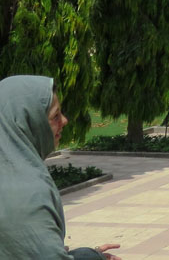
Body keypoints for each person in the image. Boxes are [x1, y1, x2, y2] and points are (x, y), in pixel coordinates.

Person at [0, 75, 122, 259]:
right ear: (29, 122)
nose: (64, 121)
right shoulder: (27, 195)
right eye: (55, 116)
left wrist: (90, 255)